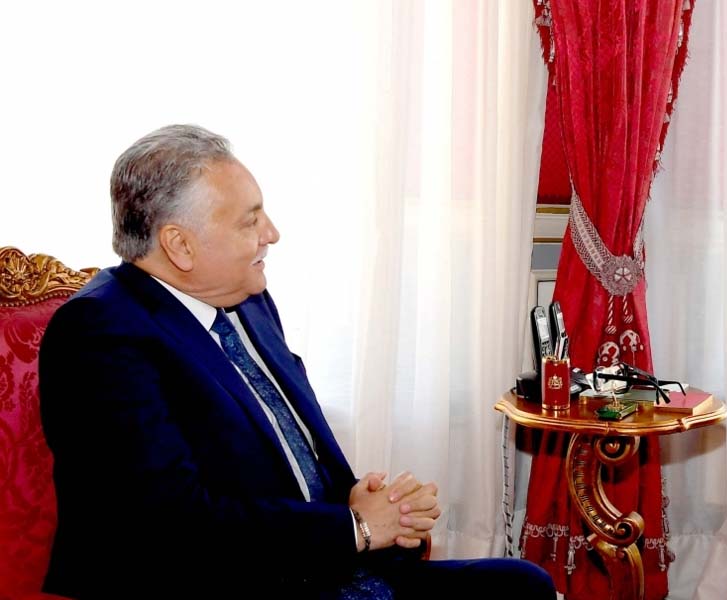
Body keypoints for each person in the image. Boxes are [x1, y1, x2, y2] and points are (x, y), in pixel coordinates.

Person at [38, 124, 557, 599]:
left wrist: (368, 505)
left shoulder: (248, 301)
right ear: (180, 245)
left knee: (520, 584)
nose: (271, 233)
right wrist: (355, 528)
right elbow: (171, 523)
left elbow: (288, 459)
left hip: (315, 568)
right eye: (250, 220)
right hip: (215, 583)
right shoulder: (101, 332)